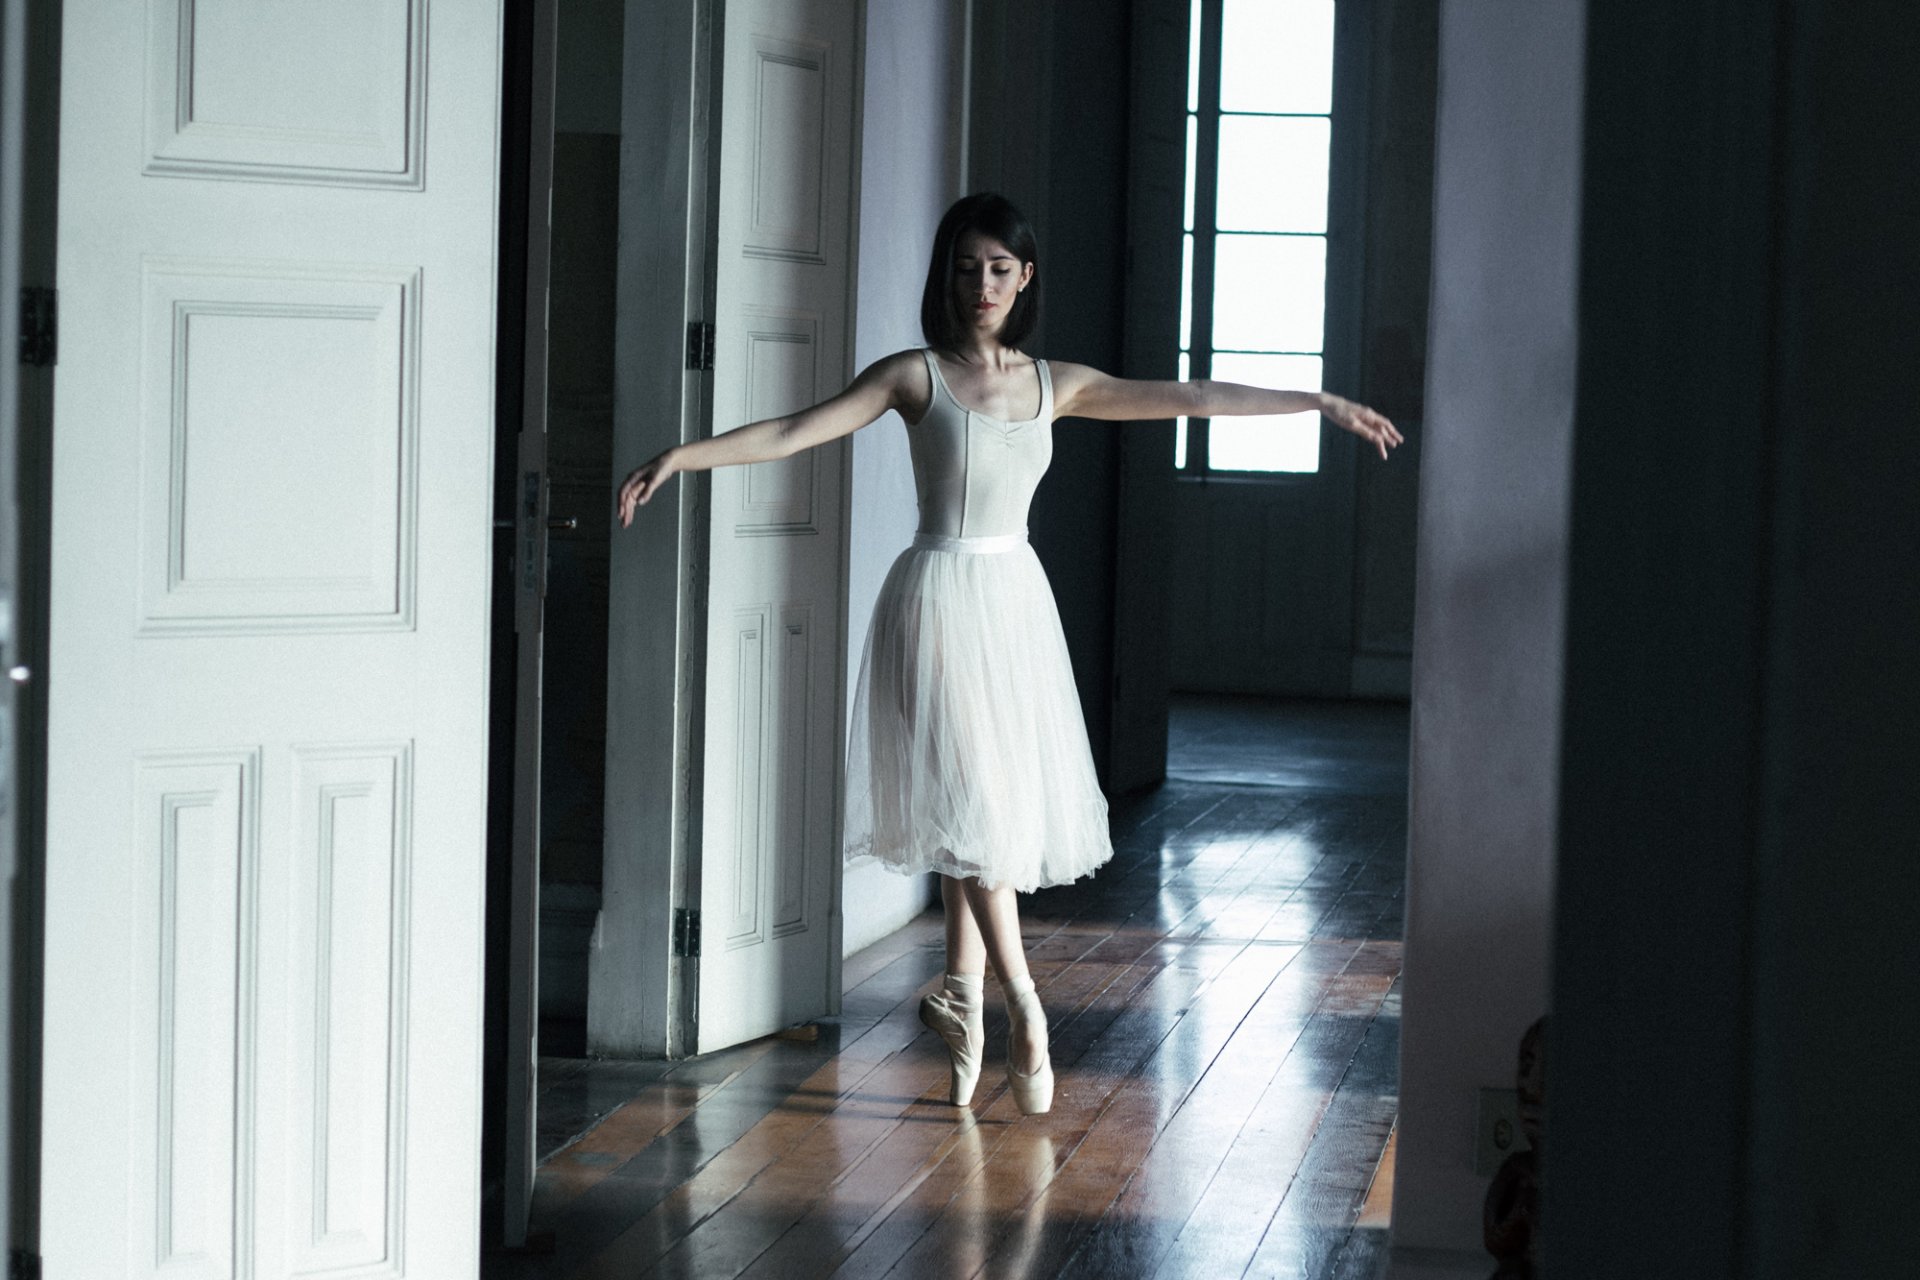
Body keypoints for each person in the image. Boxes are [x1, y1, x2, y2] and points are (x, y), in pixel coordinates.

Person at [617, 193, 1401, 1116]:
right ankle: (1026, 1006)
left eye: (998, 269)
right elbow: (795, 430)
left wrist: (1317, 401)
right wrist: (682, 457)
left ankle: (960, 991)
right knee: (977, 804)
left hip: (1014, 605)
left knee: (973, 807)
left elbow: (1189, 396)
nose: (981, 285)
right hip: (934, 598)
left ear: (1025, 277)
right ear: (947, 276)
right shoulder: (914, 376)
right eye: (966, 269)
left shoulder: (1055, 384)